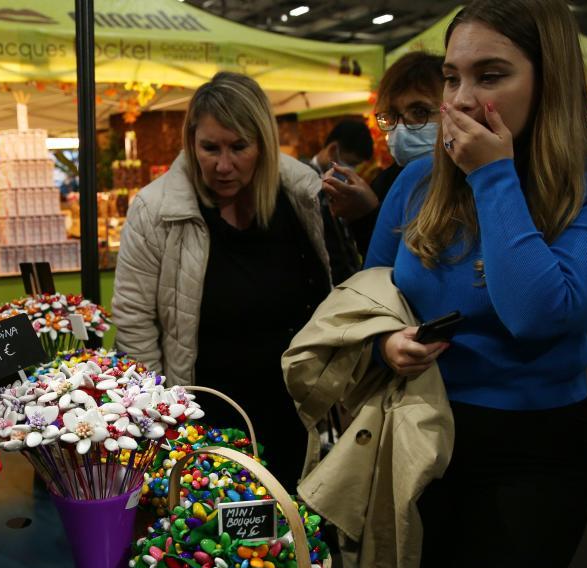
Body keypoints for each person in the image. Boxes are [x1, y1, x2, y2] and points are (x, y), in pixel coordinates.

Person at [363, 0, 587, 568]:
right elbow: (364, 300)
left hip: (535, 453)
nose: (460, 101)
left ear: (550, 80)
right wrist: (383, 342)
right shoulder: (416, 185)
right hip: (424, 436)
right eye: (453, 78)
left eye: (491, 75)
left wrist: (493, 176)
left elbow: (542, 312)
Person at [112, 71, 331, 483]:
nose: (223, 165)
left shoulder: (304, 198)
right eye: (209, 148)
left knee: (292, 534)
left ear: (263, 144)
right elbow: (134, 320)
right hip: (203, 422)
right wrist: (163, 417)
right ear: (191, 142)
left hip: (293, 416)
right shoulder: (156, 211)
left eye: (239, 148)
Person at [322, 52, 445, 258]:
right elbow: (382, 270)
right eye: (393, 116)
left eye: (420, 112)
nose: (402, 128)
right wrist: (365, 214)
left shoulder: (476, 182)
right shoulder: (386, 184)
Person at [304, 120, 374, 285]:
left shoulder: (343, 187)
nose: (353, 170)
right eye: (352, 163)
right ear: (333, 150)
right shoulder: (304, 182)